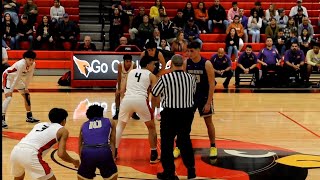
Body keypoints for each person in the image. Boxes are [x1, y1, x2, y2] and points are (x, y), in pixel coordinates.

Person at [152, 55, 197, 180]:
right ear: (183, 64)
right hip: (187, 113)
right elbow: (193, 92)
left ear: (171, 65)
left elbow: (155, 92)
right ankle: (191, 170)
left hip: (170, 114)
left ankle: (169, 172)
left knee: (167, 143)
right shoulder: (191, 78)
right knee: (185, 141)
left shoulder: (165, 78)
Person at [174, 42, 217, 164]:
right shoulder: (186, 63)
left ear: (198, 50)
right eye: (188, 51)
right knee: (184, 124)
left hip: (203, 97)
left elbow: (212, 84)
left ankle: (213, 146)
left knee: (208, 123)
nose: (189, 53)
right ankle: (178, 146)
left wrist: (208, 102)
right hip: (190, 98)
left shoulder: (206, 63)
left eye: (191, 51)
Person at [10, 108, 80, 180]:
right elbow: (61, 154)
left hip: (15, 151)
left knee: (18, 178)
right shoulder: (62, 130)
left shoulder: (40, 124)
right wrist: (74, 161)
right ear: (64, 120)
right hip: (31, 154)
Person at [115, 56, 159, 164]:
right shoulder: (151, 75)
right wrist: (155, 108)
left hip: (127, 100)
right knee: (151, 127)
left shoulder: (131, 72)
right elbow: (155, 94)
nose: (154, 66)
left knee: (120, 126)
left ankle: (114, 152)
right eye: (153, 64)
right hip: (141, 101)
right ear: (148, 64)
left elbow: (122, 89)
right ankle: (153, 155)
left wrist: (123, 100)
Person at [78, 105, 118, 180]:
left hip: (87, 152)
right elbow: (112, 141)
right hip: (103, 151)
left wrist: (83, 160)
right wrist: (112, 157)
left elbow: (80, 144)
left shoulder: (83, 125)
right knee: (111, 176)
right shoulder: (110, 121)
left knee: (82, 176)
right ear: (101, 113)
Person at [2, 50, 40, 128]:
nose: (32, 61)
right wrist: (11, 90)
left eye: (33, 59)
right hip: (8, 77)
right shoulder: (21, 64)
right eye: (30, 59)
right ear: (25, 58)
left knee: (27, 95)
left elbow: (29, 77)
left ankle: (29, 116)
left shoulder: (33, 64)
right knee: (8, 98)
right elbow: (17, 77)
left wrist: (26, 88)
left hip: (16, 79)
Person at [140, 40, 166, 120]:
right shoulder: (144, 54)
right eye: (149, 50)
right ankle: (148, 111)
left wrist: (158, 74)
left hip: (155, 74)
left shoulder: (159, 54)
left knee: (156, 94)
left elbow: (164, 65)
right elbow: (141, 65)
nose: (150, 52)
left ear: (155, 49)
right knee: (146, 94)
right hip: (146, 74)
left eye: (152, 50)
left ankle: (158, 112)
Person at [113, 54, 139, 120]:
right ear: (124, 61)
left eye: (130, 61)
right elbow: (118, 77)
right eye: (127, 61)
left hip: (130, 81)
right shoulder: (120, 65)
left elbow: (134, 77)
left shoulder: (134, 65)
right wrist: (118, 88)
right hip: (122, 80)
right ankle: (117, 112)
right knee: (117, 95)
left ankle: (133, 113)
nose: (129, 63)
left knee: (133, 97)